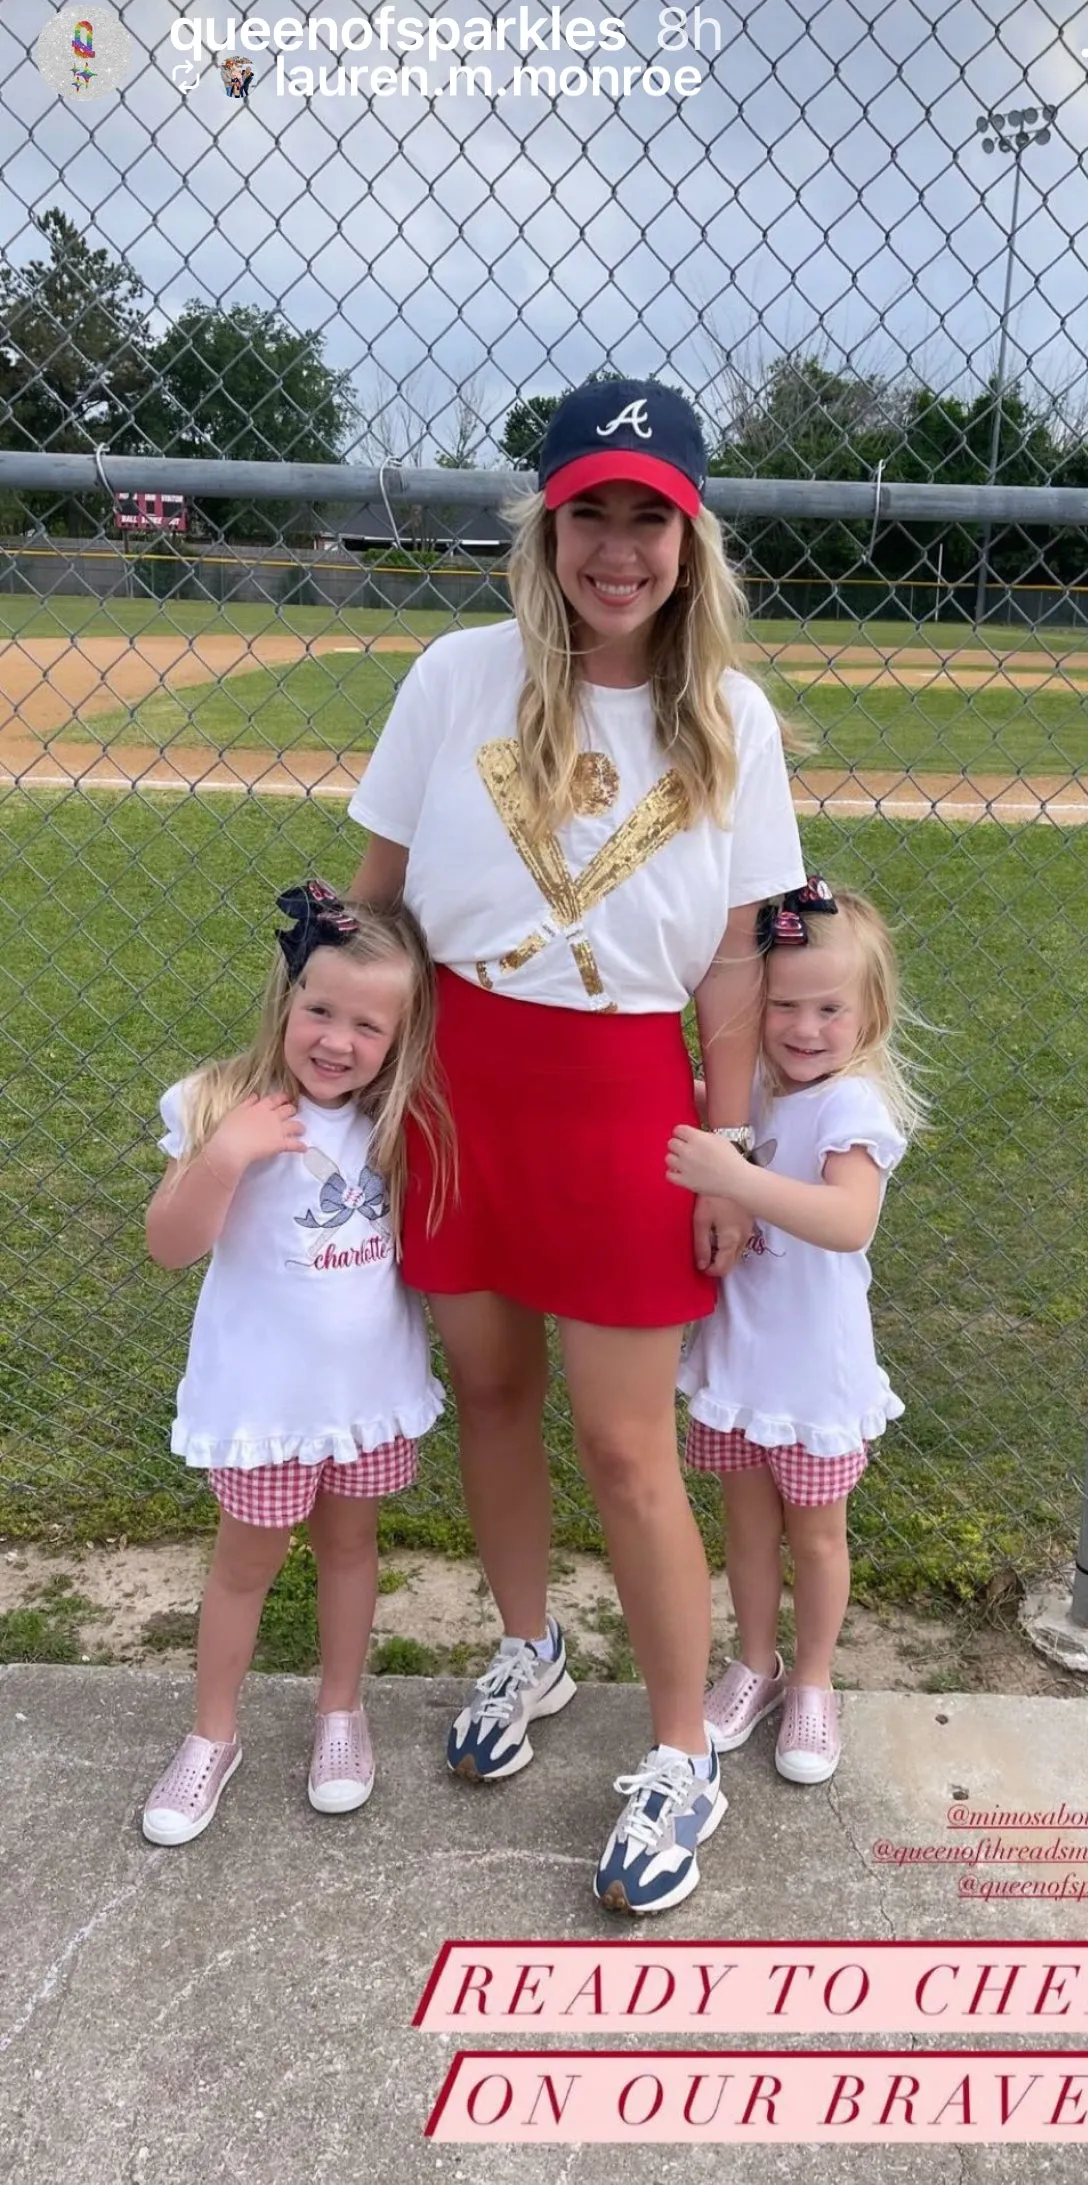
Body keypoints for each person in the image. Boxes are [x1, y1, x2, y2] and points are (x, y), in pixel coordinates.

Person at [346, 377, 805, 1913]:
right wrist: (345, 1074)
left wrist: (729, 1144)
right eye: (588, 512)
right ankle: (530, 1645)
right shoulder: (458, 675)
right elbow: (383, 896)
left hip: (626, 1099)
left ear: (691, 539)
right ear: (544, 529)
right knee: (488, 1382)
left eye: (648, 516)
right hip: (461, 1079)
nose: (618, 547)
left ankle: (680, 1750)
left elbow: (735, 959)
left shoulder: (731, 715)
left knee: (627, 1445)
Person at [139, 882, 451, 1846]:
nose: (337, 1040)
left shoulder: (400, 1121)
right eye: (319, 1009)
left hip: (362, 1401)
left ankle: (339, 1712)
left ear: (398, 1037)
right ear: (286, 999)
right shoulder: (219, 1101)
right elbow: (168, 1244)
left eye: (367, 1023)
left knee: (352, 1550)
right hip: (265, 1405)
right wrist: (224, 1156)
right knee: (244, 1567)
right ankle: (212, 1735)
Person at [668, 880, 921, 1785]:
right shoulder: (753, 1094)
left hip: (813, 1380)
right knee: (745, 1530)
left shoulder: (851, 1109)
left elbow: (848, 1220)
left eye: (828, 1007)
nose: (804, 1027)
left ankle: (814, 1679)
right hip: (741, 1368)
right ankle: (756, 1664)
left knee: (815, 1536)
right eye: (782, 1004)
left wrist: (729, 1176)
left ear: (869, 1013)